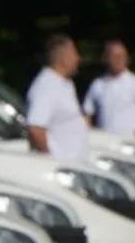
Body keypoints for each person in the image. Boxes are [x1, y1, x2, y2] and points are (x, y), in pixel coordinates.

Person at [24, 34, 90, 162]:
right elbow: (35, 128)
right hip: (61, 170)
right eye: (74, 54)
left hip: (76, 167)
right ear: (63, 58)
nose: (78, 59)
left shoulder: (65, 84)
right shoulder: (46, 86)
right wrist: (51, 159)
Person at [82, 39, 135, 137]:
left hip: (129, 145)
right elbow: (86, 114)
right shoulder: (98, 84)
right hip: (104, 144)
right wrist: (92, 135)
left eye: (122, 56)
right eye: (115, 56)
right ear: (106, 58)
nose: (119, 59)